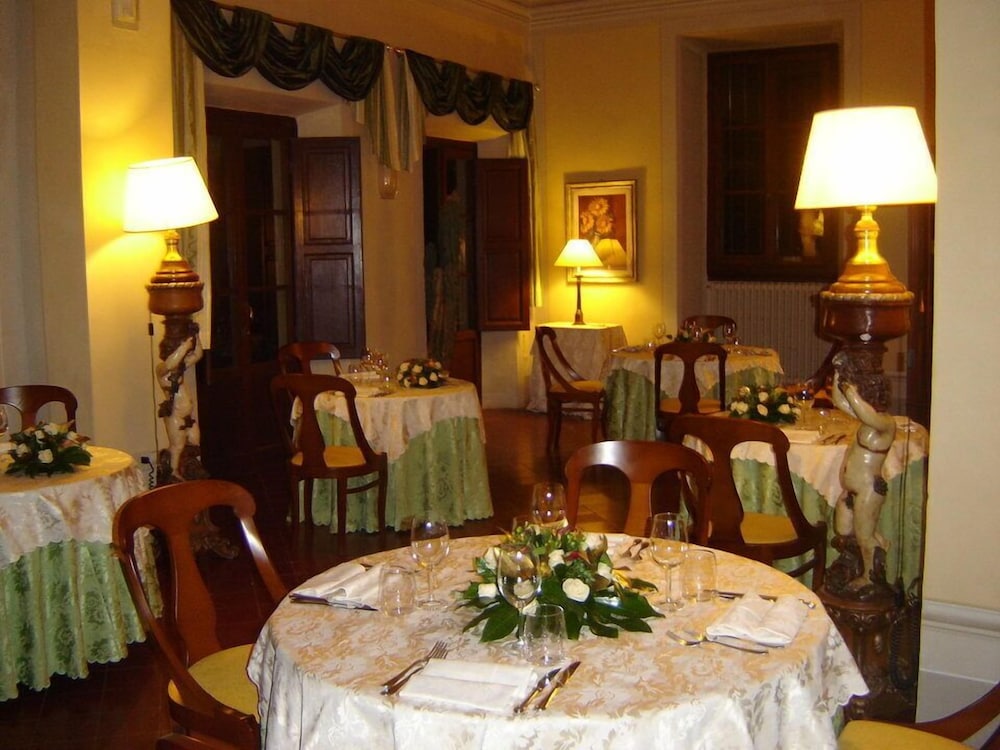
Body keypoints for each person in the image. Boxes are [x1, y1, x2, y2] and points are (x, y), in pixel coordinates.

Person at [830, 352, 897, 591]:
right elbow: (839, 402)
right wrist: (838, 374)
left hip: (869, 489)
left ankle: (870, 577)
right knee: (843, 529)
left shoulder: (885, 423)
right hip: (852, 490)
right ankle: (873, 552)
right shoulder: (867, 420)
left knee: (863, 536)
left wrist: (851, 391)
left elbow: (863, 411)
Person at [156, 328, 203, 481]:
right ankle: (173, 472)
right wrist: (184, 346)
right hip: (175, 415)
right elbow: (170, 364)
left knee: (194, 441)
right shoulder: (162, 370)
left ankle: (188, 468)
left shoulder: (180, 368)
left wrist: (195, 337)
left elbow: (198, 355)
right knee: (177, 446)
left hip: (188, 414)